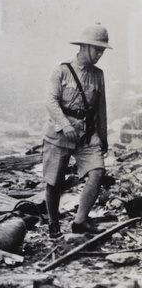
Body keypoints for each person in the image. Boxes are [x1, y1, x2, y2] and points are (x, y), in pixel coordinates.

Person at [42, 23, 111, 238]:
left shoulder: (98, 75)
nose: (100, 54)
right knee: (54, 181)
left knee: (97, 172)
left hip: (87, 135)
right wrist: (65, 124)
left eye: (102, 50)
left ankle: (80, 221)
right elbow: (50, 101)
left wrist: (103, 138)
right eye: (97, 49)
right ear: (84, 46)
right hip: (59, 133)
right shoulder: (61, 70)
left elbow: (101, 109)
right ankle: (54, 224)